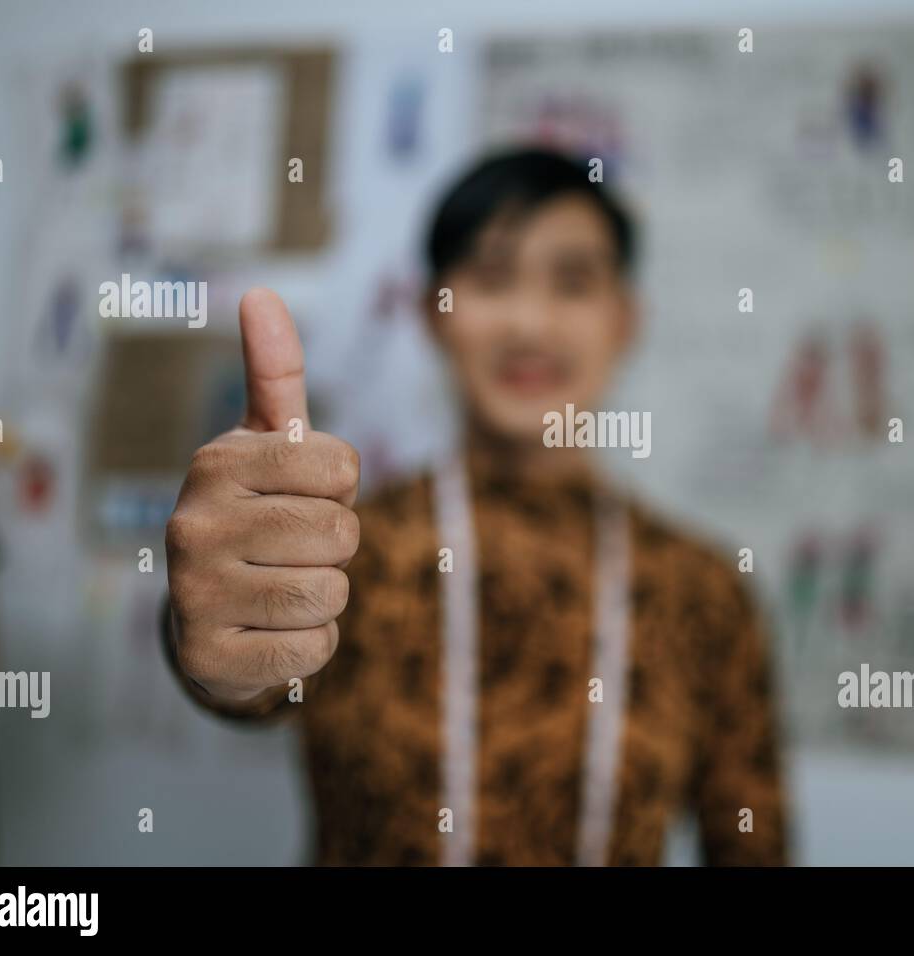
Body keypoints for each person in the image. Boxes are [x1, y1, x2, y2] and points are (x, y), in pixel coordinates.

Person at [162, 148, 788, 866]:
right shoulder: (349, 545)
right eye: (491, 278)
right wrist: (211, 623)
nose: (530, 323)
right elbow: (242, 678)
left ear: (624, 318)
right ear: (435, 313)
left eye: (573, 282)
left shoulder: (702, 591)